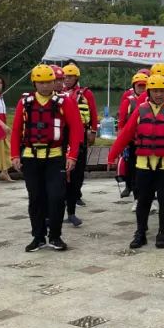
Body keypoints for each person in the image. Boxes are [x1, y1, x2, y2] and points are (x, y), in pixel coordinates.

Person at [107, 74, 164, 249]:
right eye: (155, 91)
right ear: (149, 92)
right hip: (143, 164)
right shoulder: (140, 109)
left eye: (162, 91)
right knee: (143, 200)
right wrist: (112, 156)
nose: (158, 94)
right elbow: (126, 133)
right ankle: (140, 232)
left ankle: (162, 232)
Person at [9, 64, 83, 253]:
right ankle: (38, 237)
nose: (45, 86)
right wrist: (15, 155)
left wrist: (72, 155)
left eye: (48, 82)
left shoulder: (64, 102)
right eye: (41, 82)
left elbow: (76, 130)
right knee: (36, 198)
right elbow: (17, 130)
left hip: (55, 158)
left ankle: (55, 236)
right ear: (34, 82)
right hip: (31, 158)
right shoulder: (25, 103)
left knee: (57, 197)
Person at [61, 62, 98, 226]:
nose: (67, 79)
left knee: (77, 172)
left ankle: (73, 204)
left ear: (76, 78)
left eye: (70, 77)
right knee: (60, 175)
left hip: (80, 134)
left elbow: (93, 113)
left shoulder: (86, 94)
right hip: (61, 136)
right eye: (65, 77)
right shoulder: (58, 93)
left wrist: (93, 131)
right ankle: (58, 208)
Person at [116, 71, 150, 198]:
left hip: (147, 140)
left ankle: (148, 191)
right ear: (134, 86)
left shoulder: (153, 100)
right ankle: (129, 186)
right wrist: (121, 139)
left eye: (144, 86)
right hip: (132, 140)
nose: (142, 88)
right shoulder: (128, 100)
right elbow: (122, 121)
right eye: (139, 86)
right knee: (130, 164)